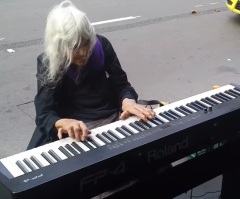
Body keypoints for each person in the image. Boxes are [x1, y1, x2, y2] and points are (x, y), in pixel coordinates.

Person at [27, 0, 155, 151]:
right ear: (60, 46)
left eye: (87, 42)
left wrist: (128, 101)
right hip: (77, 131)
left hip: (115, 119)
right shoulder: (48, 62)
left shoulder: (102, 45)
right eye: (74, 47)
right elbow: (44, 113)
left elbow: (121, 85)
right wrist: (62, 122)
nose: (83, 53)